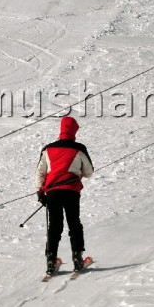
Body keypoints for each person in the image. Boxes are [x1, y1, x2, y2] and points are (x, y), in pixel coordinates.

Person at [35, 114, 94, 275]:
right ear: (74, 131)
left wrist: (40, 192)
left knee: (54, 226)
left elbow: (40, 172)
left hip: (52, 193)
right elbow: (89, 172)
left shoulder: (48, 149)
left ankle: (51, 261)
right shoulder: (79, 149)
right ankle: (77, 258)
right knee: (74, 223)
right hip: (71, 192)